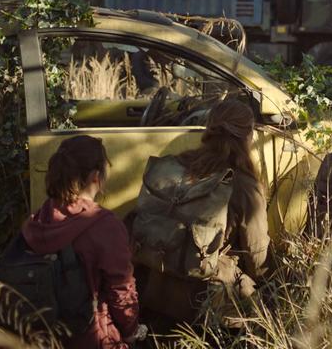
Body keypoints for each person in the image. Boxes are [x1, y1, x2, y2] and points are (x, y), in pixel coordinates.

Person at [136, 98, 270, 325]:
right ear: (248, 136)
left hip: (153, 290)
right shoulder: (244, 185)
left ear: (209, 129)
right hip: (205, 305)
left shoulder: (177, 165)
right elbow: (258, 260)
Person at [22, 136, 145, 349]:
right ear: (96, 176)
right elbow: (121, 289)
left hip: (40, 335)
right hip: (94, 338)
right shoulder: (104, 226)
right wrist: (132, 331)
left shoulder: (39, 219)